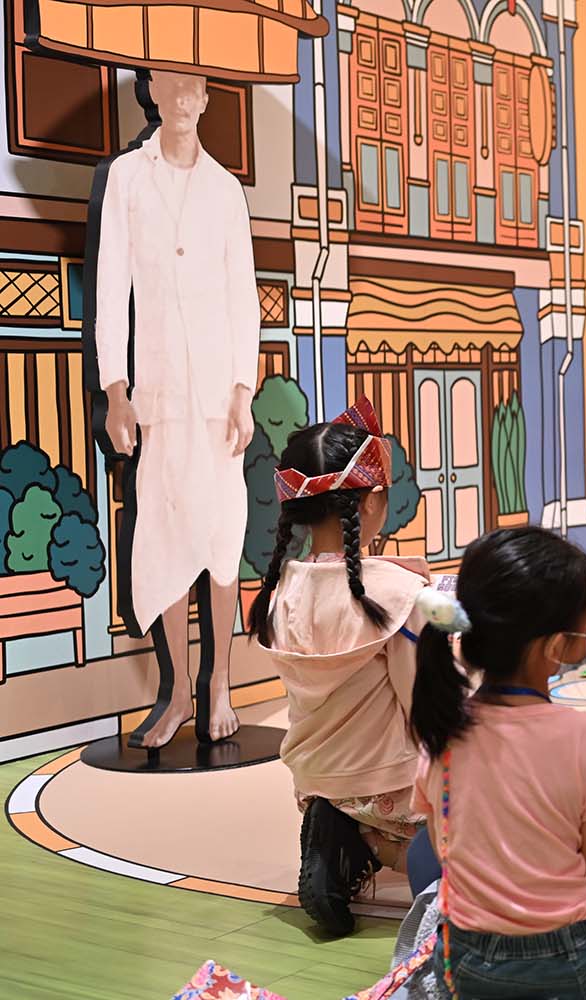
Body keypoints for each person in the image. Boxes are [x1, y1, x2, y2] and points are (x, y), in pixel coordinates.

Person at [408, 527, 586, 1000]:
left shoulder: (442, 733)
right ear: (558, 647)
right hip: (577, 968)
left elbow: (444, 853)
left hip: (468, 970)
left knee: (422, 846)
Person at [94, 70, 260, 748]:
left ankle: (218, 683)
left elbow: (242, 295)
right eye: (173, 89)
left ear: (207, 101)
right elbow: (109, 286)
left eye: (197, 91)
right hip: (158, 391)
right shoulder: (128, 180)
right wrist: (114, 390)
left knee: (221, 537)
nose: (186, 102)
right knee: (162, 537)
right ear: (154, 95)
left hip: (218, 396)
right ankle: (176, 694)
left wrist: (245, 392)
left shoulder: (226, 191)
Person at [248, 399, 428, 937]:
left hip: (317, 780)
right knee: (489, 847)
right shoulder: (397, 595)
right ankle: (377, 845)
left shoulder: (279, 595)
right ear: (373, 501)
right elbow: (425, 710)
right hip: (393, 788)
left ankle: (341, 827)